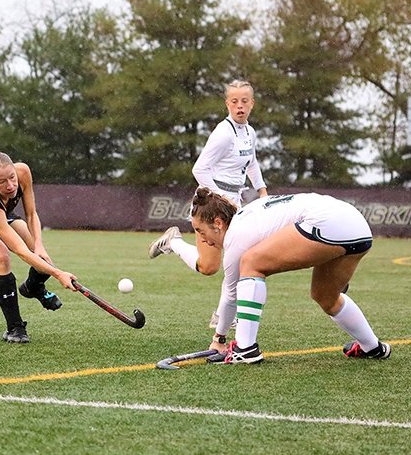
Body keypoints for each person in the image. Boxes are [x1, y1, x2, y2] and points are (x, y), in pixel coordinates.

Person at [179, 187, 390, 364]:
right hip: (357, 225)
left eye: (200, 230)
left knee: (251, 263)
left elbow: (230, 293)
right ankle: (372, 347)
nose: (202, 239)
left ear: (217, 223)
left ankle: (245, 349)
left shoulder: (236, 234)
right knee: (325, 296)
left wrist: (219, 338)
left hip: (327, 222)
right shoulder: (248, 215)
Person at [149, 80, 268, 329]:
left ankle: (222, 315)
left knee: (241, 257)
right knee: (208, 267)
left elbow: (252, 163)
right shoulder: (223, 133)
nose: (239, 106)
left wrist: (262, 191)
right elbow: (199, 169)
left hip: (234, 202)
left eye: (244, 101)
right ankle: (173, 241)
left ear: (252, 104)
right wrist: (220, 200)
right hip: (212, 206)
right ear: (227, 104)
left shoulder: (250, 132)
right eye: (234, 101)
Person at [0, 151, 77, 344]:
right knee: (2, 256)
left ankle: (33, 288)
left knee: (41, 258)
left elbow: (31, 213)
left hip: (3, 213)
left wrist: (39, 246)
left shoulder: (23, 172)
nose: (10, 186)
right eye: (2, 182)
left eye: (12, 178)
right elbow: (19, 250)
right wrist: (59, 274)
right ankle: (15, 327)